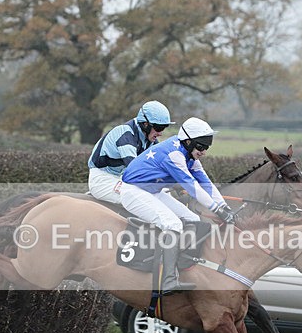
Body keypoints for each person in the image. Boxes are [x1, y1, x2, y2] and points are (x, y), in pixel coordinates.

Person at [120, 117, 236, 295]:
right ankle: (167, 281)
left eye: (207, 147)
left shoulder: (188, 154)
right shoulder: (174, 156)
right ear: (188, 141)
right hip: (133, 191)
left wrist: (224, 207)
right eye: (201, 147)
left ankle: (181, 264)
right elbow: (193, 188)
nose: (204, 151)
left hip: (152, 191)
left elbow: (206, 184)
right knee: (173, 224)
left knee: (192, 218)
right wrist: (217, 210)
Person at [87, 101, 174, 204]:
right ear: (145, 124)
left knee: (164, 192)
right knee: (144, 198)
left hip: (121, 178)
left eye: (164, 127)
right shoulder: (126, 134)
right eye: (159, 128)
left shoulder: (150, 139)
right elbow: (136, 170)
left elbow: (161, 166)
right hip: (103, 180)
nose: (160, 133)